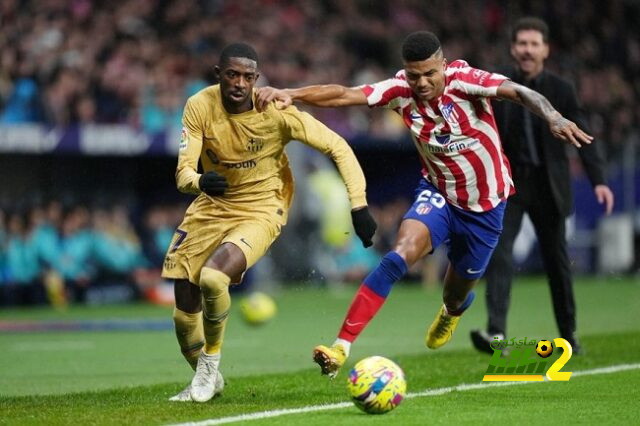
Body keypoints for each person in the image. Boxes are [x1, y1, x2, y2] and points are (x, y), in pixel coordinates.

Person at [256, 30, 593, 378]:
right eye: (414, 74)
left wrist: (552, 115)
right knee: (398, 255)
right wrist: (291, 93)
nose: (422, 82)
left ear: (443, 66)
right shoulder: (399, 90)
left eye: (430, 73)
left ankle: (451, 310)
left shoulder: (466, 81)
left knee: (455, 295)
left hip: (486, 208)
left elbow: (520, 92)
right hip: (439, 193)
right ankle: (341, 347)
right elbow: (345, 94)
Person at [162, 42, 377, 402]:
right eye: (232, 74)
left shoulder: (276, 110)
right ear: (219, 75)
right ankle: (205, 374)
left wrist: (359, 206)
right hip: (212, 205)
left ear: (256, 79)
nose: (240, 83)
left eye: (248, 76)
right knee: (184, 306)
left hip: (263, 208)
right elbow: (183, 171)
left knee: (213, 278)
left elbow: (338, 146)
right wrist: (199, 181)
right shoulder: (199, 105)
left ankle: (209, 368)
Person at [469, 17, 614, 355]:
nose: (528, 50)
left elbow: (584, 135)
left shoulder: (562, 89)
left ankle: (569, 333)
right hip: (511, 184)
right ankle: (497, 334)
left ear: (546, 49)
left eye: (534, 44)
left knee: (556, 262)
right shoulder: (499, 86)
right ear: (512, 48)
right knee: (500, 255)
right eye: (522, 43)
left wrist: (600, 181)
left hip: (549, 186)